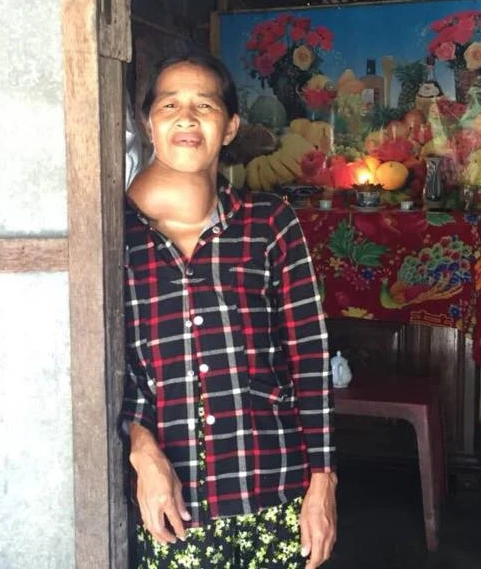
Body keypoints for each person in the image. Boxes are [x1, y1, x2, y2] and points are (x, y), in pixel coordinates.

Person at [119, 50, 338, 569]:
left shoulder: (269, 223)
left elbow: (309, 359)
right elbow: (115, 366)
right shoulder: (118, 236)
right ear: (148, 124)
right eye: (169, 104)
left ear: (231, 125)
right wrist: (140, 447)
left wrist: (323, 482)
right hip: (173, 505)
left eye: (205, 105)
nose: (186, 117)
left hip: (275, 491)